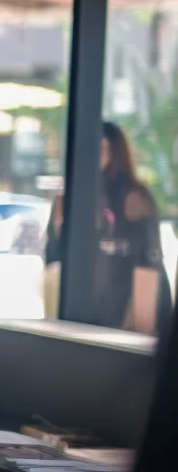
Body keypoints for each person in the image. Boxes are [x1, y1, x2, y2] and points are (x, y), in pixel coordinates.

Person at [44, 121, 171, 334]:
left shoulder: (133, 198)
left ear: (115, 153)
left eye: (102, 150)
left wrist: (139, 335)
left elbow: (147, 267)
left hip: (127, 323)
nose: (93, 158)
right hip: (83, 324)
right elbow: (52, 266)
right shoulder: (68, 201)